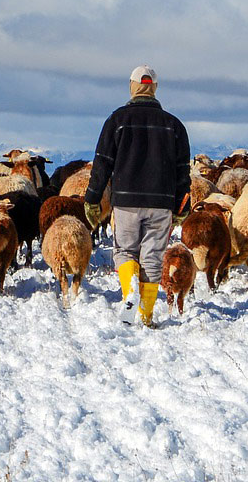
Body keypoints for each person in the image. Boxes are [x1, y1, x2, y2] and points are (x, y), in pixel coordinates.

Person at [82, 65, 191, 327]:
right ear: (154, 88)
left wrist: (92, 199)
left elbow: (102, 164)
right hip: (161, 203)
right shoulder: (174, 125)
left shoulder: (117, 121)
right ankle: (146, 315)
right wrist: (182, 206)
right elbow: (182, 172)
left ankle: (129, 288)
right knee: (152, 257)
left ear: (132, 86)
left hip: (127, 202)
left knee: (124, 251)